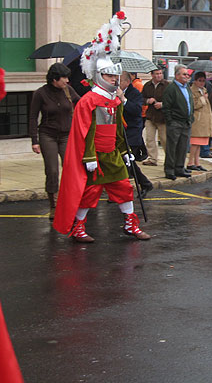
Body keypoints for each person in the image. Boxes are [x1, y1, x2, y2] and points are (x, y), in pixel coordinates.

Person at [53, 12, 150, 242]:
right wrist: (89, 157)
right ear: (98, 74)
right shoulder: (88, 100)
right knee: (90, 193)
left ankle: (130, 225)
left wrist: (125, 151)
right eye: (108, 75)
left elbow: (118, 130)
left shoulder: (114, 98)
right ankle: (78, 228)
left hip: (112, 154)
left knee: (124, 188)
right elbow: (85, 131)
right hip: (94, 155)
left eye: (115, 76)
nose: (114, 79)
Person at [29, 63, 80, 220]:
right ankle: (54, 205)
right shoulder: (40, 93)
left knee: (70, 168)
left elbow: (82, 103)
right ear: (54, 78)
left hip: (66, 135)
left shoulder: (68, 90)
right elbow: (32, 117)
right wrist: (34, 140)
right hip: (48, 135)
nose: (67, 80)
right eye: (64, 77)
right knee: (52, 170)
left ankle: (70, 201)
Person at [117, 71, 153, 199]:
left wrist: (124, 99)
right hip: (120, 131)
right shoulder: (114, 93)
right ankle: (145, 183)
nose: (116, 83)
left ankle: (124, 191)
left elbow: (136, 110)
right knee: (127, 162)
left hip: (132, 131)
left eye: (119, 80)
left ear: (126, 82)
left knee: (126, 162)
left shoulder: (134, 93)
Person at [162, 64, 194, 180]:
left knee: (183, 146)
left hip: (186, 122)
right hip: (175, 122)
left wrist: (191, 117)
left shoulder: (187, 88)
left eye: (187, 74)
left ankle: (179, 168)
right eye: (184, 74)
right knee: (172, 147)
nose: (187, 76)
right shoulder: (171, 89)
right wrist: (170, 121)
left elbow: (190, 103)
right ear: (177, 75)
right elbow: (166, 107)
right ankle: (169, 169)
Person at [141, 68, 169, 166]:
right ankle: (152, 159)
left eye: (160, 73)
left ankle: (169, 159)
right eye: (156, 74)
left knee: (164, 139)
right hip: (150, 115)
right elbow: (141, 98)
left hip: (163, 117)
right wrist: (148, 101)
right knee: (150, 138)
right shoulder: (147, 85)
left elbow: (172, 100)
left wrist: (163, 104)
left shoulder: (167, 85)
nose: (159, 76)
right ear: (152, 75)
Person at [187, 72, 212, 172]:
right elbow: (194, 105)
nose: (202, 83)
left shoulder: (203, 90)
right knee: (195, 143)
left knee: (199, 143)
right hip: (197, 120)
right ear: (195, 81)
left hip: (203, 120)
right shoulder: (192, 91)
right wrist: (203, 98)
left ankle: (197, 162)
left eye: (203, 81)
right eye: (199, 81)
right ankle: (190, 162)